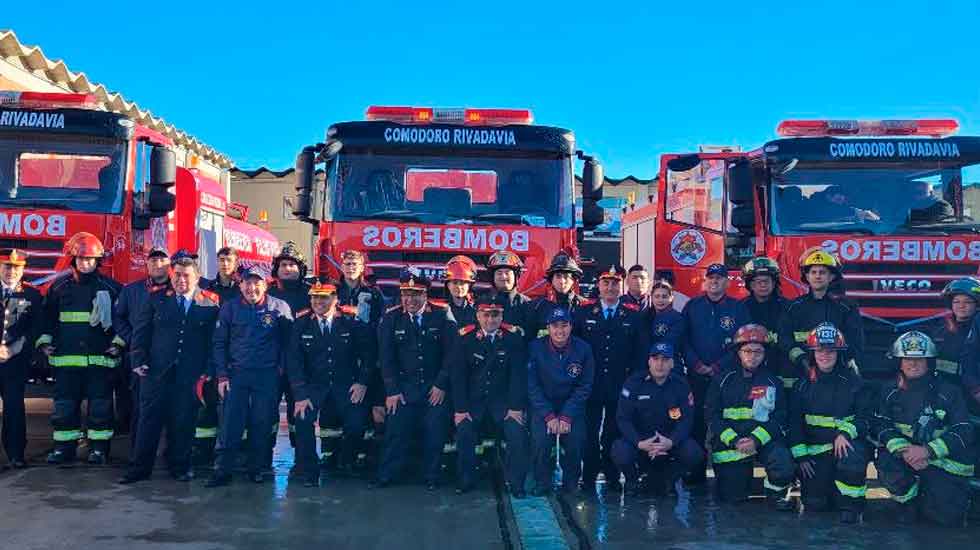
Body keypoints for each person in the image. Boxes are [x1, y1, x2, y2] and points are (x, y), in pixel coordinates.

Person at [120, 251, 220, 483]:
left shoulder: (210, 303)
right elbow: (141, 333)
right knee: (148, 420)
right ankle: (139, 468)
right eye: (176, 276)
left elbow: (214, 341)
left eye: (186, 275)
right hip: (155, 372)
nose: (180, 280)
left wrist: (208, 370)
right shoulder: (156, 299)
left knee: (183, 421)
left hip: (190, 375)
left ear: (197, 277)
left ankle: (180, 467)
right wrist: (138, 360)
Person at [875, 331, 975, 527]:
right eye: (908, 359)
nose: (913, 364)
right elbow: (880, 424)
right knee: (888, 464)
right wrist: (905, 451)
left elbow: (964, 429)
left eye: (920, 359)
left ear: (929, 362)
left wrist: (927, 451)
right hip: (904, 458)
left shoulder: (949, 392)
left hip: (942, 462)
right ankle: (907, 504)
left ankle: (932, 498)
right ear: (899, 362)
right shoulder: (889, 391)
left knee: (945, 520)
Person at [38, 232, 122, 466]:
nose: (86, 263)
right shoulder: (58, 288)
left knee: (100, 407)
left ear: (98, 261)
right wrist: (44, 342)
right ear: (73, 259)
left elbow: (123, 322)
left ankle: (98, 450)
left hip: (100, 360)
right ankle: (64, 448)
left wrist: (117, 345)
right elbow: (47, 320)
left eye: (91, 259)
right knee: (64, 407)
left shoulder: (112, 288)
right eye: (81, 259)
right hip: (65, 360)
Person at [205, 265, 293, 487]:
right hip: (237, 375)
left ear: (265, 284)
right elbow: (219, 343)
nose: (252, 287)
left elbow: (289, 344)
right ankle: (222, 470)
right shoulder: (229, 308)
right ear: (241, 284)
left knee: (261, 423)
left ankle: (256, 469)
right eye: (247, 282)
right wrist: (223, 376)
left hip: (267, 376)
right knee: (230, 425)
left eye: (257, 282)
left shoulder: (279, 307)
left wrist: (279, 370)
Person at [374, 269, 455, 490]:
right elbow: (386, 357)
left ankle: (432, 476)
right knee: (396, 428)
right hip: (404, 387)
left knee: (435, 428)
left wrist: (440, 384)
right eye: (406, 294)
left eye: (416, 294)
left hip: (433, 386)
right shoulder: (391, 317)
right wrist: (391, 391)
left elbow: (451, 355)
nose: (410, 299)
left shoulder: (442, 314)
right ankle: (387, 475)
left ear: (426, 294)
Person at [287, 280, 374, 487]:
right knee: (302, 420)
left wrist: (362, 383)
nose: (319, 302)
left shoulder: (350, 321)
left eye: (324, 297)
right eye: (315, 297)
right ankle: (309, 470)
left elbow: (369, 354)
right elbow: (293, 360)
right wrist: (300, 395)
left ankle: (346, 462)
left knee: (356, 423)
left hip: (346, 384)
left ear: (335, 299)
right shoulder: (301, 323)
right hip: (314, 386)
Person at [573, 265, 649, 492]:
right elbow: (575, 351)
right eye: (606, 282)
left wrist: (633, 384)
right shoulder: (583, 313)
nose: (610, 287)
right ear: (598, 285)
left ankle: (612, 476)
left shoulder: (633, 315)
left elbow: (640, 354)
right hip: (591, 385)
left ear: (621, 286)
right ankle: (588, 477)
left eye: (615, 283)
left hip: (620, 386)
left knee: (613, 433)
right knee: (589, 433)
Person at [788, 323, 873, 523]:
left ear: (839, 353)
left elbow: (866, 417)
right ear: (812, 354)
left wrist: (844, 433)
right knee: (816, 504)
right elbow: (794, 423)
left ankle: (852, 506)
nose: (825, 355)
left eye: (830, 351)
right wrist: (801, 458)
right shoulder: (802, 385)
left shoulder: (854, 382)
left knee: (853, 458)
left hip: (846, 447)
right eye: (819, 350)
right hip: (816, 451)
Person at [705, 324, 795, 509]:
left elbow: (779, 418)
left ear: (765, 354)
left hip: (763, 440)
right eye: (747, 351)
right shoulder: (722, 380)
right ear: (738, 352)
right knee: (733, 500)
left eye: (758, 352)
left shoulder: (773, 382)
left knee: (783, 462)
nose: (752, 356)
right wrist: (735, 440)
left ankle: (775, 497)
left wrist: (755, 440)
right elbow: (711, 416)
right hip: (731, 443)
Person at [451, 294, 529, 497]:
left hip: (503, 403)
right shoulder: (465, 338)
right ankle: (466, 480)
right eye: (486, 314)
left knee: (516, 433)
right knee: (464, 431)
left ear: (502, 316)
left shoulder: (513, 338)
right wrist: (460, 409)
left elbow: (517, 376)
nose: (490, 320)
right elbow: (458, 377)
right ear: (477, 315)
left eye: (495, 315)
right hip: (473, 403)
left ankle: (516, 483)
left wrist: (515, 407)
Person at [681, 263, 748, 482]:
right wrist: (695, 364)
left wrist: (718, 366)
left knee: (724, 421)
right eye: (711, 278)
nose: (714, 282)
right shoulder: (692, 306)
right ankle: (696, 472)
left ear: (727, 282)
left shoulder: (738, 308)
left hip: (726, 376)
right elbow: (684, 340)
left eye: (719, 278)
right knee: (696, 422)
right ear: (705, 281)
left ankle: (726, 473)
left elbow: (743, 342)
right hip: (696, 375)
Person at [611, 342, 703, 497]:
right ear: (649, 361)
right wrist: (639, 443)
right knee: (619, 451)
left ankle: (669, 481)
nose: (660, 364)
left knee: (694, 453)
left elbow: (686, 420)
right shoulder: (634, 383)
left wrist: (671, 442)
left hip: (668, 440)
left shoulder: (681, 385)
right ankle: (633, 481)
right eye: (656, 359)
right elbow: (623, 419)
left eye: (665, 359)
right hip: (641, 440)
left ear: (672, 363)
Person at [528, 307, 595, 496]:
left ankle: (571, 482)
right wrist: (549, 416)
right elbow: (532, 386)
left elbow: (585, 386)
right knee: (541, 442)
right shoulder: (535, 347)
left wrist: (566, 416)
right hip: (544, 407)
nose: (560, 331)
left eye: (564, 326)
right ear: (548, 328)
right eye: (555, 326)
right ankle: (542, 481)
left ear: (571, 327)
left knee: (576, 441)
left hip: (571, 407)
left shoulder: (583, 349)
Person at [113, 247, 171, 461]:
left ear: (169, 265)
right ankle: (138, 455)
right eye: (153, 261)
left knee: (172, 409)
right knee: (140, 409)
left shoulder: (177, 289)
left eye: (162, 260)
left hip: (169, 358)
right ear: (147, 265)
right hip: (140, 359)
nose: (157, 265)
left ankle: (170, 453)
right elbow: (118, 317)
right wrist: (132, 340)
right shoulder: (132, 291)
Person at [334, 249, 386, 471]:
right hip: (340, 359)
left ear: (363, 267)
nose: (351, 267)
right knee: (342, 412)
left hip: (367, 357)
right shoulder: (332, 291)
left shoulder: (374, 294)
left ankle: (368, 457)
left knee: (372, 412)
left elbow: (380, 326)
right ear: (341, 266)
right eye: (347, 263)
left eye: (355, 264)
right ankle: (340, 458)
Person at [779, 248, 864, 375]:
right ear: (807, 277)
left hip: (837, 370)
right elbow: (784, 339)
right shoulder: (793, 307)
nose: (817, 276)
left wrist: (834, 360)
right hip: (801, 370)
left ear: (831, 277)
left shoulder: (847, 308)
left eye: (822, 272)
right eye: (813, 272)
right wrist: (802, 359)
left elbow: (856, 341)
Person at [194, 246, 241, 465]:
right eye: (221, 260)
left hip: (234, 356)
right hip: (208, 354)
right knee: (206, 406)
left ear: (236, 262)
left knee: (232, 408)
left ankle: (231, 454)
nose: (224, 264)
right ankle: (204, 453)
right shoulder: (205, 288)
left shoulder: (243, 289)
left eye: (229, 260)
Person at [267, 242, 312, 466]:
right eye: (283, 264)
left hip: (302, 364)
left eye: (292, 265)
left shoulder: (312, 293)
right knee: (266, 412)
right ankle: (263, 456)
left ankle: (302, 458)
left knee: (300, 413)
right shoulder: (266, 292)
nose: (287, 269)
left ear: (301, 269)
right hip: (272, 364)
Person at [0, 249, 43, 468]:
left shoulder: (32, 295)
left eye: (16, 267)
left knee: (14, 408)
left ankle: (16, 454)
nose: (11, 271)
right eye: (7, 266)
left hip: (14, 362)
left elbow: (37, 328)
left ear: (23, 269)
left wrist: (17, 346)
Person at [740, 257, 794, 387]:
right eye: (758, 281)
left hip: (781, 364)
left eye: (766, 281)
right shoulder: (740, 308)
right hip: (751, 365)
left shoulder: (788, 307)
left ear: (774, 283)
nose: (763, 285)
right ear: (750, 285)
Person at [527, 252, 593, 340]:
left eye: (566, 277)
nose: (562, 281)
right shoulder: (537, 306)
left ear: (573, 280)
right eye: (558, 276)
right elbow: (530, 339)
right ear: (551, 279)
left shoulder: (585, 306)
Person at [932, 278, 980, 386]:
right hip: (947, 389)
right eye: (956, 301)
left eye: (967, 302)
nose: (961, 306)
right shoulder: (939, 331)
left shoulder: (977, 329)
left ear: (976, 304)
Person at [483, 250, 532, 338]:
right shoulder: (482, 303)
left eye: (507, 272)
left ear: (516, 276)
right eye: (499, 273)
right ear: (492, 277)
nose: (503, 277)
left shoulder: (527, 305)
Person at [649, 280, 685, 357]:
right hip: (647, 363)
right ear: (651, 297)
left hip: (669, 362)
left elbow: (670, 344)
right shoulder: (646, 316)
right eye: (657, 296)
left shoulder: (677, 319)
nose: (660, 300)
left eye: (664, 296)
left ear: (671, 298)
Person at [443, 255, 478, 327]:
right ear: (448, 285)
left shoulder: (477, 310)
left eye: (462, 282)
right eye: (455, 282)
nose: (458, 287)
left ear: (469, 285)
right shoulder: (439, 310)